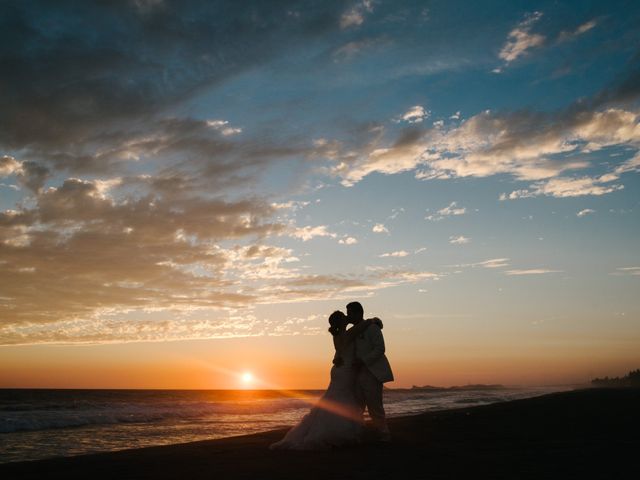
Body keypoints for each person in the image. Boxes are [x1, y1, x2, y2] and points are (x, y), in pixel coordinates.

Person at [270, 311, 382, 451]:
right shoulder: (346, 334)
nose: (347, 317)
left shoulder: (337, 335)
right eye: (344, 317)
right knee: (342, 398)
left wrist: (336, 358)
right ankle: (338, 431)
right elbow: (360, 327)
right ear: (341, 322)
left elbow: (339, 352)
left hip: (338, 369)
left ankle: (341, 428)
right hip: (344, 371)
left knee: (335, 397)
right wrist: (373, 320)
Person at [346, 301, 394, 442]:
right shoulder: (354, 331)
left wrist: (364, 360)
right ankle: (358, 433)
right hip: (357, 374)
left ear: (358, 313)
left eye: (350, 313)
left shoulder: (372, 328)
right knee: (357, 406)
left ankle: (384, 435)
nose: (349, 316)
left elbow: (380, 348)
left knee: (375, 407)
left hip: (372, 373)